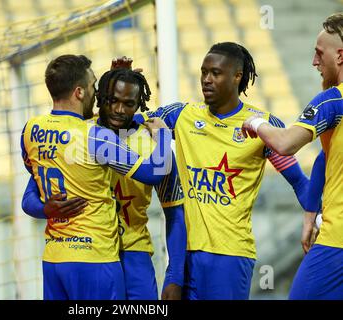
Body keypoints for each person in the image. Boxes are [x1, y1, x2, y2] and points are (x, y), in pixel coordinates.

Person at [133, 42, 311, 299]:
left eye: (215, 73)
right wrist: (124, 80)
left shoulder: (262, 126)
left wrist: (320, 220)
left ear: (237, 76)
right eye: (203, 72)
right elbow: (128, 123)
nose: (206, 79)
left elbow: (299, 182)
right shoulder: (182, 115)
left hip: (230, 256)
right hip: (184, 255)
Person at [23, 66, 187, 300]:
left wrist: (174, 276)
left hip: (134, 255)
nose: (119, 110)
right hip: (87, 253)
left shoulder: (154, 147)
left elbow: (175, 213)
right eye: (111, 100)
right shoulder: (79, 134)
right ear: (99, 97)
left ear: (138, 104)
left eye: (128, 103)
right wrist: (43, 209)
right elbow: (30, 194)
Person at [242, 13, 343, 299]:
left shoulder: (333, 100)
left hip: (337, 242)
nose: (314, 62)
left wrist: (256, 123)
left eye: (319, 54)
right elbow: (327, 157)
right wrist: (310, 213)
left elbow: (285, 144)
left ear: (340, 56)